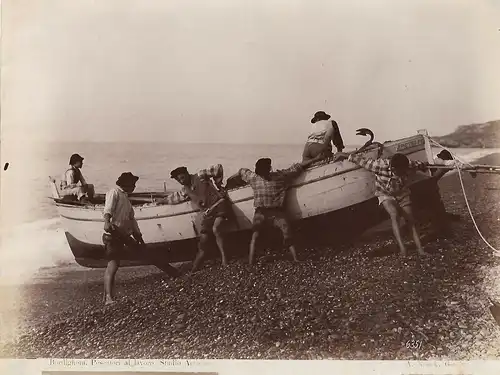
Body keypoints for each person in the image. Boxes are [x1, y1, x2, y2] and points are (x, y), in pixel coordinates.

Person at [102, 172, 179, 305]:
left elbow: (131, 219)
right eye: (133, 184)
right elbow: (108, 209)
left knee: (146, 253)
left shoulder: (125, 197)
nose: (134, 187)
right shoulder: (114, 192)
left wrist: (138, 235)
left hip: (124, 235)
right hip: (113, 234)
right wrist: (107, 222)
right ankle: (108, 297)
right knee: (113, 264)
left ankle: (174, 273)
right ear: (126, 184)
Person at [234, 155, 323, 265]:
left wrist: (316, 159)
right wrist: (315, 159)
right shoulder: (274, 176)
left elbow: (241, 171)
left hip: (270, 212)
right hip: (267, 212)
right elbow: (297, 167)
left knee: (283, 232)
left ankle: (294, 258)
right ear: (269, 168)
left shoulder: (257, 177)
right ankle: (252, 261)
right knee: (259, 235)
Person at [337, 151, 429, 256]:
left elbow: (420, 164)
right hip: (385, 194)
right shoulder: (380, 166)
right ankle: (403, 249)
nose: (404, 173)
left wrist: (426, 165)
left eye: (405, 171)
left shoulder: (408, 165)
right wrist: (344, 155)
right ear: (393, 169)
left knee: (410, 219)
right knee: (394, 215)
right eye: (401, 172)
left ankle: (421, 249)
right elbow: (361, 161)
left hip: (402, 193)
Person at [158, 164, 231, 273]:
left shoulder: (200, 175)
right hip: (207, 213)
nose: (181, 181)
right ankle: (194, 269)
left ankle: (225, 260)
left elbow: (218, 168)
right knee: (203, 241)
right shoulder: (185, 190)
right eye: (178, 180)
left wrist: (218, 184)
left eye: (182, 177)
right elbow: (175, 197)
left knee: (217, 229)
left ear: (187, 174)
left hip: (219, 205)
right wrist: (161, 201)